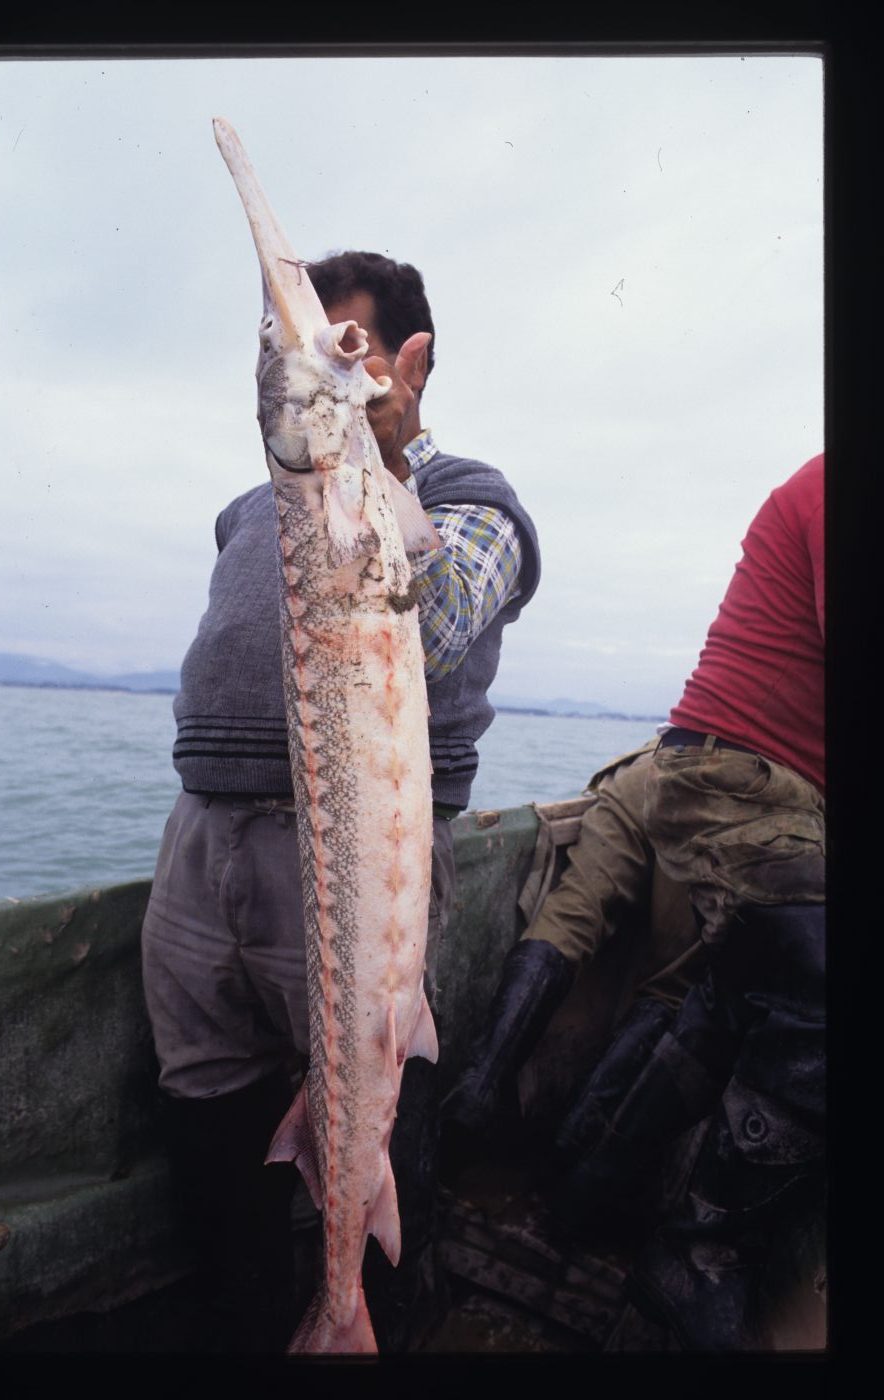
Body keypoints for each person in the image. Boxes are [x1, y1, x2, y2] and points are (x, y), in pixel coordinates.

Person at [140, 251, 540, 1352]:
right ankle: (248, 1328)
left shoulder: (473, 497)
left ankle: (377, 1324)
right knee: (207, 1111)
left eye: (347, 349)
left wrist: (386, 460)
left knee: (375, 1115)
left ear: (410, 363)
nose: (323, 374)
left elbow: (434, 626)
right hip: (201, 848)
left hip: (366, 858)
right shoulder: (250, 507)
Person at [627, 452, 826, 1351]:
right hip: (738, 781)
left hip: (767, 792)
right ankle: (698, 1254)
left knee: (751, 983)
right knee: (828, 989)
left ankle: (595, 1181)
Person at [440, 740, 740, 1240]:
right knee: (676, 985)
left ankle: (477, 1087)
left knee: (571, 917)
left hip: (655, 766)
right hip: (745, 795)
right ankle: (572, 1168)